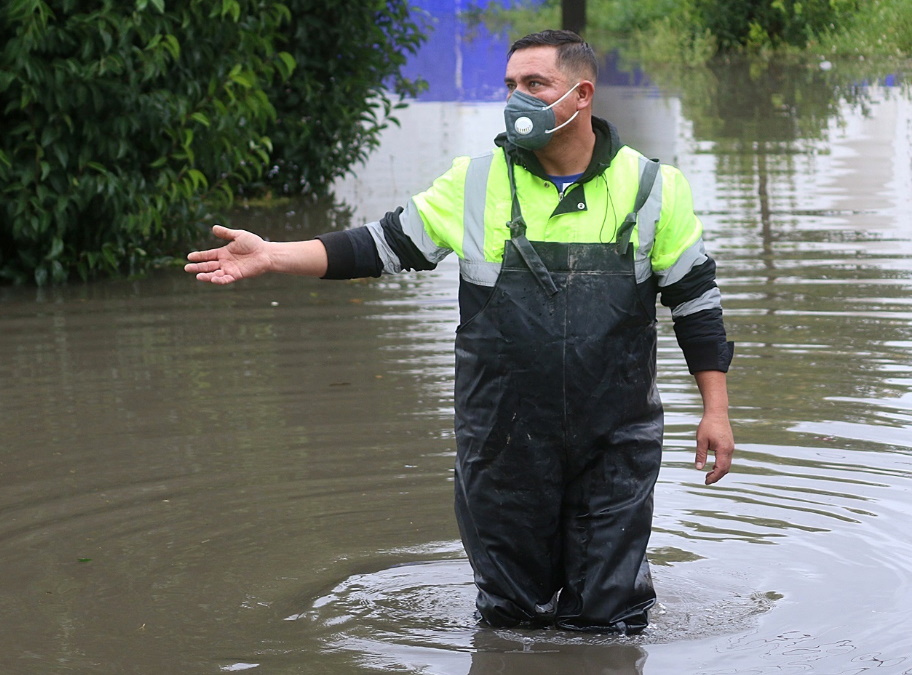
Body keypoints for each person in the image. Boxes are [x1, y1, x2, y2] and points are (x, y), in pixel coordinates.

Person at [185, 30, 734, 634]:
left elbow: (695, 304)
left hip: (615, 443)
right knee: (510, 623)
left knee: (611, 618)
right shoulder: (474, 182)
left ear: (581, 95)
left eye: (534, 85)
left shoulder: (655, 188)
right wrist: (272, 256)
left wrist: (716, 411)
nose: (516, 99)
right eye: (510, 86)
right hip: (502, 444)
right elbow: (380, 246)